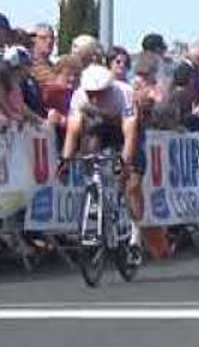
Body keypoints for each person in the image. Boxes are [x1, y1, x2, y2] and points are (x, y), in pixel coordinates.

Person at [56, 63, 144, 256]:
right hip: (100, 127)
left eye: (100, 93)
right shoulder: (79, 96)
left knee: (132, 183)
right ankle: (94, 188)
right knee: (89, 144)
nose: (95, 98)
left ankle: (135, 232)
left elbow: (129, 135)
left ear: (109, 88)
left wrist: (123, 165)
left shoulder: (124, 93)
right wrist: (65, 162)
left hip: (124, 128)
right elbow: (73, 131)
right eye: (91, 93)